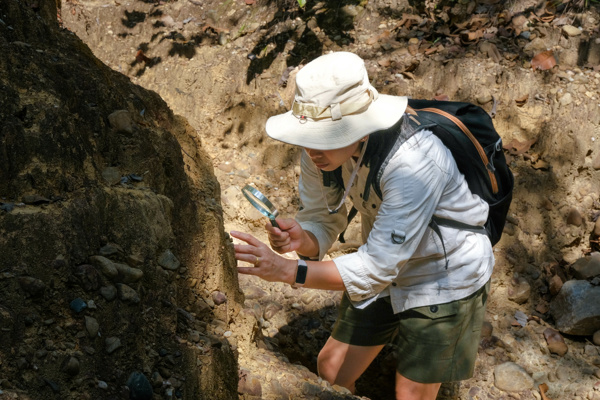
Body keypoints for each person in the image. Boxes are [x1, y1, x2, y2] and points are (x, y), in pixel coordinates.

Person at [230, 51, 493, 400]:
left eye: (324, 137)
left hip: (445, 275)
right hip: (387, 261)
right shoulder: (320, 152)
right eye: (308, 138)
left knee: (411, 395)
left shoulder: (414, 161)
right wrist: (302, 239)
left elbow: (376, 266)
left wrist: (285, 270)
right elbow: (323, 219)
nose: (311, 150)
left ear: (358, 125)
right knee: (333, 368)